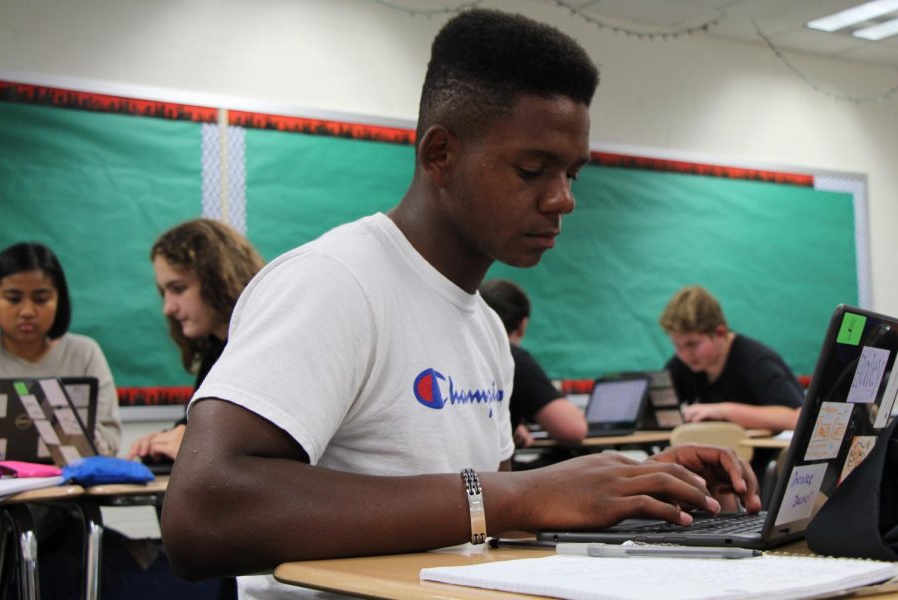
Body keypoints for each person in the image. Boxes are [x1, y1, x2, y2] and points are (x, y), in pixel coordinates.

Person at [162, 10, 761, 595]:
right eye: (532, 169)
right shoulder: (333, 281)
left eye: (572, 174)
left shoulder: (484, 329)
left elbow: (482, 523)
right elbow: (202, 514)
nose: (562, 200)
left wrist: (639, 486)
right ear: (440, 154)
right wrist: (519, 495)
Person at [127, 218, 264, 463]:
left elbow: (263, 451)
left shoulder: (263, 352)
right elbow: (193, 425)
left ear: (218, 279)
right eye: (164, 292)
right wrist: (162, 442)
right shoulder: (216, 349)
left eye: (178, 288)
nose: (168, 308)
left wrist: (195, 444)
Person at [0, 241, 121, 455]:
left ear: (59, 301)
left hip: (70, 485)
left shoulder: (84, 354)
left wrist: (76, 435)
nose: (27, 311)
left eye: (41, 299)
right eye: (13, 298)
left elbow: (110, 441)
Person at [659, 285, 803, 431]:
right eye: (677, 345)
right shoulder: (683, 363)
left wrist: (724, 411)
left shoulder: (756, 361)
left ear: (720, 332)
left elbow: (796, 418)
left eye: (692, 344)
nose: (684, 354)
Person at [479, 278, 587, 447]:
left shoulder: (466, 352)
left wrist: (513, 425)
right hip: (490, 472)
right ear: (523, 324)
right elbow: (573, 429)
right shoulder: (513, 358)